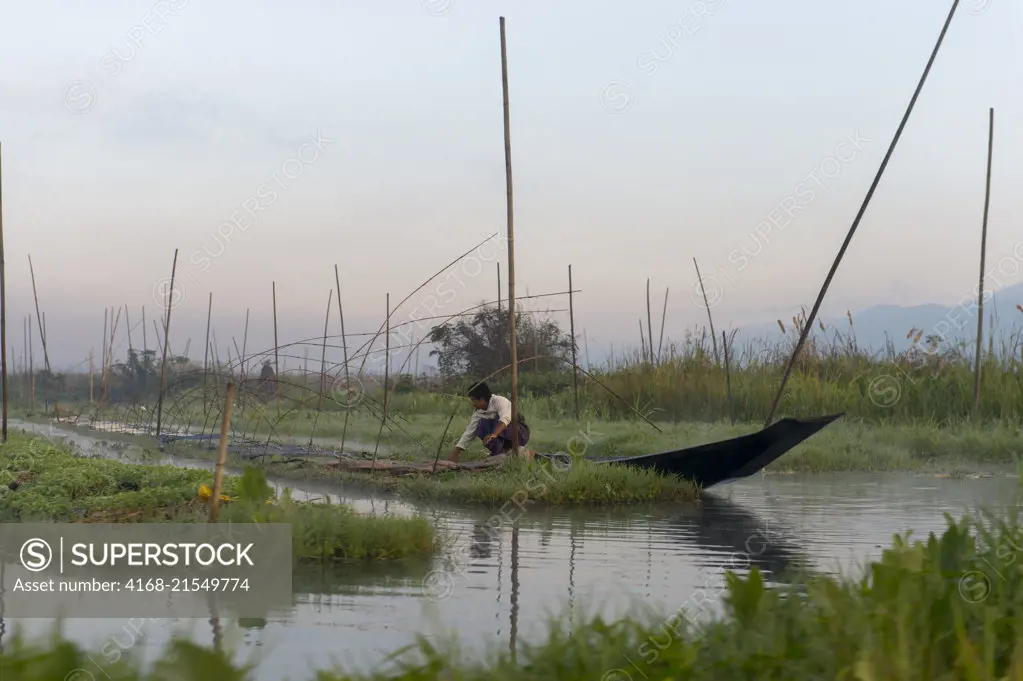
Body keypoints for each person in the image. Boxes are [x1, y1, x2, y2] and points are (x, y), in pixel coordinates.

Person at [449, 381, 531, 462]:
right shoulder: (478, 413)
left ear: (481, 398)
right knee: (481, 426)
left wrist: (494, 434)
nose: (473, 404)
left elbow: (505, 419)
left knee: (495, 421)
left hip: (519, 433)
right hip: (502, 439)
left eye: (474, 400)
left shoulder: (500, 401)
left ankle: (515, 449)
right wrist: (455, 454)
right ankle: (499, 452)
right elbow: (469, 433)